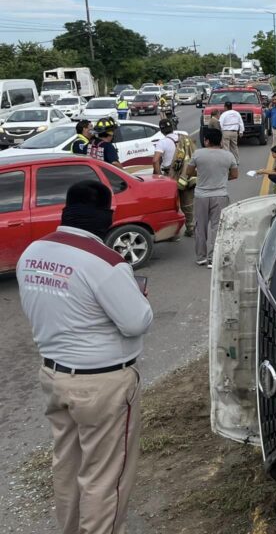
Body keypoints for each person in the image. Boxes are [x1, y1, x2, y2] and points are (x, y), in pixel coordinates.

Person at [17, 180, 152, 534]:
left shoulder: (32, 252)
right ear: (106, 217)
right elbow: (136, 321)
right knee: (105, 477)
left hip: (54, 377)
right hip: (102, 386)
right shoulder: (105, 263)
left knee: (67, 466)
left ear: (66, 211)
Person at [186, 127, 238, 268]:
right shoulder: (228, 156)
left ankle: (201, 257)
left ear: (206, 140)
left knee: (200, 227)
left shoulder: (198, 154)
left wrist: (202, 174)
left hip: (201, 196)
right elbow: (234, 175)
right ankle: (213, 258)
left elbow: (188, 172)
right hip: (220, 196)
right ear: (220, 141)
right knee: (217, 227)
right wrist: (220, 176)